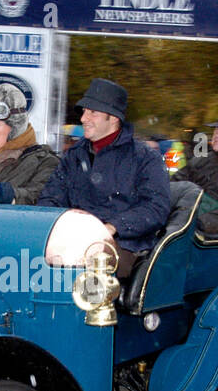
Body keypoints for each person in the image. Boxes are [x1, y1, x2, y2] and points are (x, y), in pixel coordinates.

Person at [38, 78, 169, 278]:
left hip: (124, 245)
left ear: (113, 118)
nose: (83, 118)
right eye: (83, 112)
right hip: (71, 240)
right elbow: (51, 197)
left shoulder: (144, 158)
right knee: (25, 258)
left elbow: (155, 208)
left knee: (77, 262)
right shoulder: (74, 156)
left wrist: (112, 227)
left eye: (92, 112)